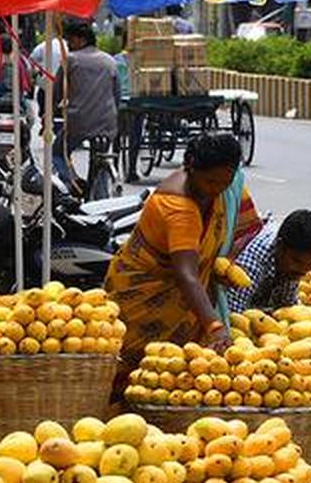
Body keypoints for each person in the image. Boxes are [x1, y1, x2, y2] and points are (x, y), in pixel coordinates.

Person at [105, 133, 262, 389]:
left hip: (185, 300)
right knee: (143, 373)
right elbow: (186, 274)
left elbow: (236, 232)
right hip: (144, 298)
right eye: (210, 181)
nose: (218, 189)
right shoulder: (178, 207)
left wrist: (220, 267)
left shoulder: (222, 190)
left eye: (226, 181)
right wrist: (215, 327)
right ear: (189, 165)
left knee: (182, 376)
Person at [52, 20, 120, 190]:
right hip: (107, 123)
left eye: (70, 41)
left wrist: (53, 110)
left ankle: (71, 181)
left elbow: (57, 91)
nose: (68, 45)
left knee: (58, 152)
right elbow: (116, 94)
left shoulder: (71, 60)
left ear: (81, 40)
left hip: (78, 122)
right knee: (100, 156)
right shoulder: (109, 61)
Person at [226, 210, 311, 313]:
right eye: (297, 261)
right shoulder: (253, 262)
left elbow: (286, 304)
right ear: (280, 247)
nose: (302, 269)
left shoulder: (291, 265)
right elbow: (233, 312)